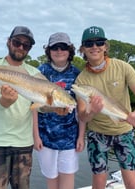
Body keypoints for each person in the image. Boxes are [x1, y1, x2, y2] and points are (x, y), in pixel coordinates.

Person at [75, 26, 135, 189]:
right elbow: (82, 117)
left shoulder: (122, 67)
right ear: (83, 49)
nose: (95, 47)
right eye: (89, 44)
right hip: (97, 134)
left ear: (105, 46)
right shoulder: (81, 80)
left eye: (99, 42)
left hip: (123, 131)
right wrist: (91, 111)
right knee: (98, 183)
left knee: (132, 183)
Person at [0, 26, 40, 189]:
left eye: (26, 45)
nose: (21, 47)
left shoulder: (35, 73)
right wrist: (5, 100)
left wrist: (57, 108)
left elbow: (40, 106)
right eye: (17, 42)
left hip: (24, 144)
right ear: (9, 41)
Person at [33, 32, 85, 189]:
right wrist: (35, 136)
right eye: (55, 47)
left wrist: (81, 136)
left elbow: (81, 110)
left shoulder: (78, 75)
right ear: (49, 51)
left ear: (70, 50)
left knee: (68, 181)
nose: (59, 51)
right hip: (46, 136)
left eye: (63, 47)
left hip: (70, 137)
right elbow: (33, 107)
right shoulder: (40, 72)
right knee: (51, 181)